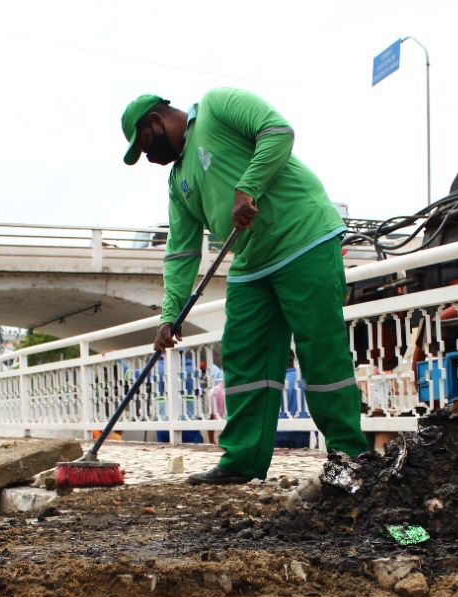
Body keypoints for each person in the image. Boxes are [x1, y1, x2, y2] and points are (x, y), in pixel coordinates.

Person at [121, 90, 367, 484]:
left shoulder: (218, 107)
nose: (150, 159)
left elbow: (278, 131)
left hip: (303, 236)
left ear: (155, 120)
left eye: (147, 147)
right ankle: (242, 460)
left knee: (320, 349)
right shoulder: (177, 179)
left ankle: (350, 456)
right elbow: (181, 251)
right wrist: (171, 313)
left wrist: (248, 186)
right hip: (252, 261)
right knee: (243, 356)